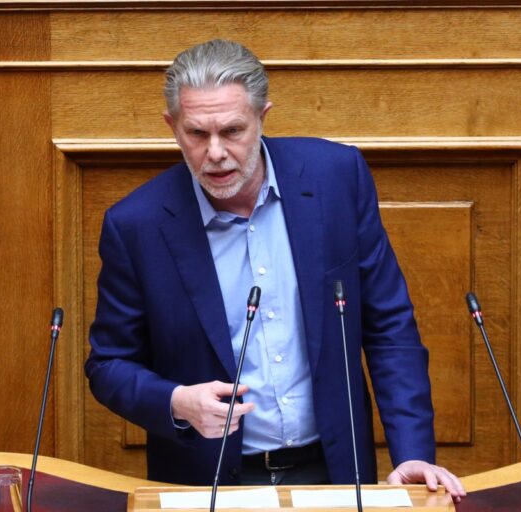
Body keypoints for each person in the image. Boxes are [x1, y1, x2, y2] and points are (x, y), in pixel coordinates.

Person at [85, 39, 466, 502]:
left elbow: (390, 326)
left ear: (262, 116)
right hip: (208, 483)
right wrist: (176, 403)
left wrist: (412, 453)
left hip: (333, 471)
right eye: (197, 134)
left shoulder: (335, 177)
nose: (215, 152)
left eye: (233, 130)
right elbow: (109, 365)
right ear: (172, 126)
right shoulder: (136, 226)